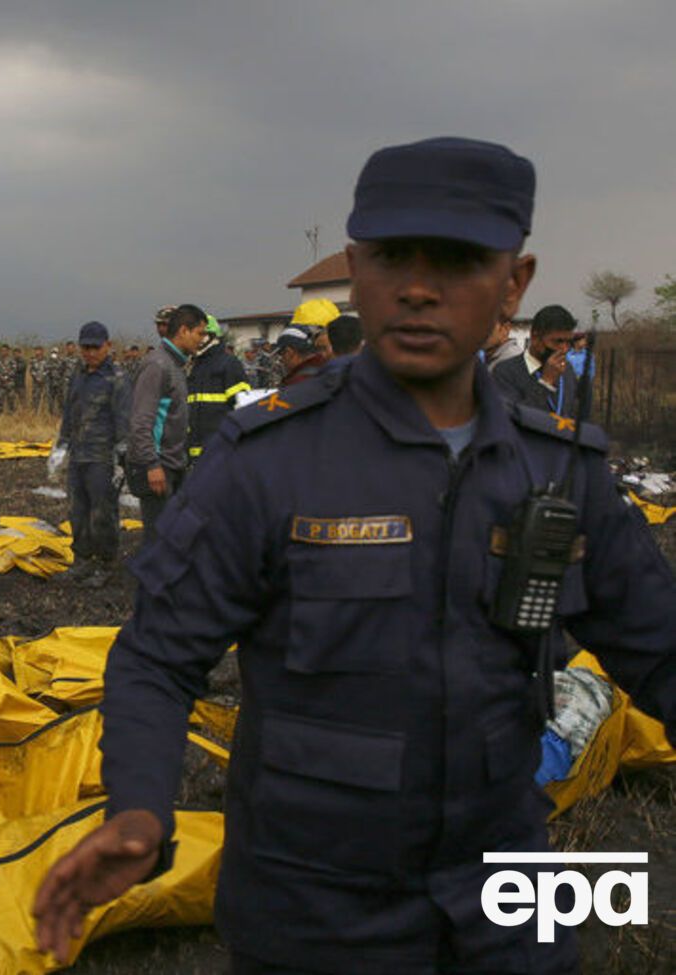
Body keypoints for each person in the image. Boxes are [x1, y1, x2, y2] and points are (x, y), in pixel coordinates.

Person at [33, 136, 676, 975]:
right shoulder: (267, 462)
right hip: (312, 909)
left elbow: (658, 648)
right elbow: (158, 657)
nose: (418, 286)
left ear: (513, 284)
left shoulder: (559, 469)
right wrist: (140, 810)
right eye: (391, 257)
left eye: (457, 260)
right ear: (357, 271)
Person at [125, 303, 206, 545]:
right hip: (158, 467)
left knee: (173, 535)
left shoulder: (176, 365)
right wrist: (152, 465)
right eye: (199, 333)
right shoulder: (158, 365)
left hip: (173, 464)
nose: (202, 339)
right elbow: (141, 420)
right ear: (183, 330)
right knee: (158, 539)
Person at [57, 321, 130, 586]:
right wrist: (61, 445)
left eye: (95, 348)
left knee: (103, 512)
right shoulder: (78, 375)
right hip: (79, 455)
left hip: (103, 458)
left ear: (107, 346)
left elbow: (123, 419)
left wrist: (122, 457)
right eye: (85, 348)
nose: (89, 353)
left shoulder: (117, 378)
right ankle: (82, 561)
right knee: (77, 511)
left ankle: (105, 564)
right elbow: (69, 412)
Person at [492, 304, 580, 418]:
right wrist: (545, 383)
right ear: (535, 338)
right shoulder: (505, 372)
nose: (564, 349)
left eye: (568, 342)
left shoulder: (567, 370)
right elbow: (513, 419)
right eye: (558, 341)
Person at [186, 314, 251, 465]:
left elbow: (243, 407)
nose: (195, 339)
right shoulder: (194, 366)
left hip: (221, 452)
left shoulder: (229, 364)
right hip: (194, 454)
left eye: (200, 335)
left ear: (212, 336)